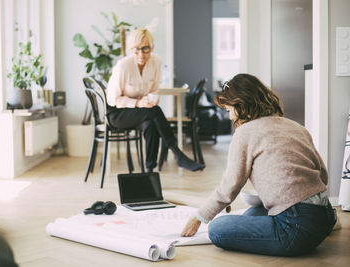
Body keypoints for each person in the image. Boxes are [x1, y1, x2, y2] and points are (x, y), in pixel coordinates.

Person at [181, 73, 336, 256]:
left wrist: (199, 217)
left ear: (241, 106)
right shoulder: (296, 127)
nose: (230, 117)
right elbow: (322, 175)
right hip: (324, 218)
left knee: (217, 229)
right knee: (252, 213)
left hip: (294, 229)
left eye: (229, 110)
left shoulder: (245, 132)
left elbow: (229, 188)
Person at [106, 28, 204, 173]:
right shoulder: (123, 66)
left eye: (145, 48)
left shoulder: (156, 61)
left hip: (140, 112)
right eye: (136, 49)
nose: (141, 54)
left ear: (152, 47)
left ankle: (149, 170)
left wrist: (151, 100)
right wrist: (138, 103)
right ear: (131, 49)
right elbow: (112, 99)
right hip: (117, 114)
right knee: (154, 112)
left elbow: (153, 90)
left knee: (150, 123)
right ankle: (177, 153)